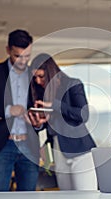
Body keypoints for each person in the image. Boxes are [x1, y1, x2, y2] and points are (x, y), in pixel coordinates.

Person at [0, 29, 44, 192]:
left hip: (29, 145)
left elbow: (43, 111)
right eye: (18, 56)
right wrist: (8, 110)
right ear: (8, 50)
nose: (23, 61)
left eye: (27, 56)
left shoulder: (36, 75)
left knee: (28, 195)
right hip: (1, 145)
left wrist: (38, 123)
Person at [28, 53, 98, 190]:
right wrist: (39, 124)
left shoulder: (73, 84)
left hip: (81, 152)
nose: (37, 81)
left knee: (86, 197)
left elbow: (83, 115)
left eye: (41, 76)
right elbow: (50, 123)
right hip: (58, 150)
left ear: (51, 73)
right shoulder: (41, 91)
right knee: (66, 196)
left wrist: (53, 105)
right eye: (35, 77)